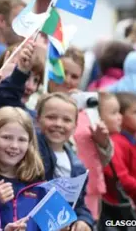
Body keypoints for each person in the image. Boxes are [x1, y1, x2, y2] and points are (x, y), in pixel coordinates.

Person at [35, 93, 95, 230]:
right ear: (37, 119)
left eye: (66, 120)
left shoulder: (78, 167)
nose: (58, 124)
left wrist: (83, 220)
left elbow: (78, 205)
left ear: (75, 126)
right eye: (51, 117)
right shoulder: (31, 151)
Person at [101, 92, 136, 228]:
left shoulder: (131, 140)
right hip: (118, 209)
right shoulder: (117, 142)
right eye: (135, 112)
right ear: (121, 116)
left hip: (132, 204)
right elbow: (120, 177)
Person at [0, 107, 45, 231]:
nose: (14, 146)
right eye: (6, 137)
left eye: (22, 140)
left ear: (30, 144)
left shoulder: (38, 185)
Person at [73, 93, 115, 221]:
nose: (68, 80)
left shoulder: (90, 109)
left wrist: (103, 142)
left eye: (75, 77)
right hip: (64, 187)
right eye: (65, 74)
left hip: (91, 187)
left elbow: (106, 158)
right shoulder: (50, 105)